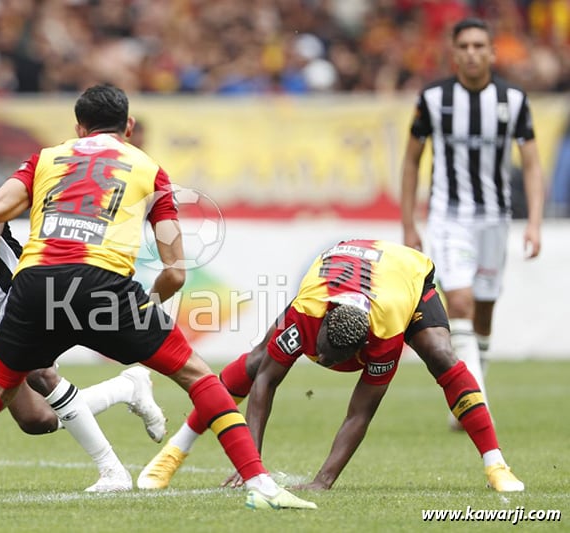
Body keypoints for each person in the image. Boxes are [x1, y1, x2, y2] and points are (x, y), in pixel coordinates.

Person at [0, 85, 316, 511]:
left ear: (79, 128)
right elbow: (175, 272)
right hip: (103, 285)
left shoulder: (47, 158)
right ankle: (260, 484)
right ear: (128, 126)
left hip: (34, 284)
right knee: (198, 377)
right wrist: (146, 308)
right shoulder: (149, 170)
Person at [0, 101, 168, 495]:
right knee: (37, 420)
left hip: (21, 294)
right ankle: (127, 388)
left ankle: (113, 472)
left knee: (40, 374)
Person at [138, 239, 525, 493]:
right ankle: (175, 450)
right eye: (320, 353)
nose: (322, 362)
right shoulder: (306, 311)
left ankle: (496, 465)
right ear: (319, 328)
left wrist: (323, 481)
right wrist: (250, 465)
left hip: (404, 274)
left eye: (333, 361)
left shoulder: (386, 332)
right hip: (339, 274)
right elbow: (266, 383)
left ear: (362, 349)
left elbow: (360, 414)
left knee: (441, 354)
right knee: (257, 362)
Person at [399, 17, 545, 428]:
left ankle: (465, 395)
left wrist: (534, 222)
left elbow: (532, 164)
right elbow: (411, 161)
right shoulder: (434, 100)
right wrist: (409, 223)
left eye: (479, 46)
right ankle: (475, 404)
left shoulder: (512, 100)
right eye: (464, 46)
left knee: (483, 311)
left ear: (493, 53)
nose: (472, 53)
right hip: (449, 217)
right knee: (459, 302)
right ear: (454, 53)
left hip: (495, 218)